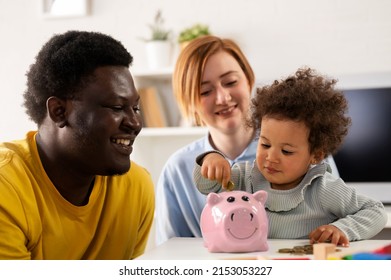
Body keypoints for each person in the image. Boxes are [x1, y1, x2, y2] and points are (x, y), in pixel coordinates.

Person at [155, 35, 339, 245]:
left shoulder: (305, 149)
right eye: (205, 91)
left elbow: (339, 224)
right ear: (189, 102)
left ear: (249, 80)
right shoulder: (177, 170)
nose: (222, 98)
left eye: (231, 82)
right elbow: (169, 253)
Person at [0, 31, 155, 259]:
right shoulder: (7, 190)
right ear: (59, 111)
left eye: (136, 108)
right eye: (116, 107)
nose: (135, 123)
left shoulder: (136, 187)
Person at [194, 67, 388, 247]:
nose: (271, 157)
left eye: (286, 151)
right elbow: (206, 185)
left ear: (316, 155)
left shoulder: (322, 188)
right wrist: (211, 159)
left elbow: (376, 211)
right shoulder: (244, 177)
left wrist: (341, 228)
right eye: (265, 144)